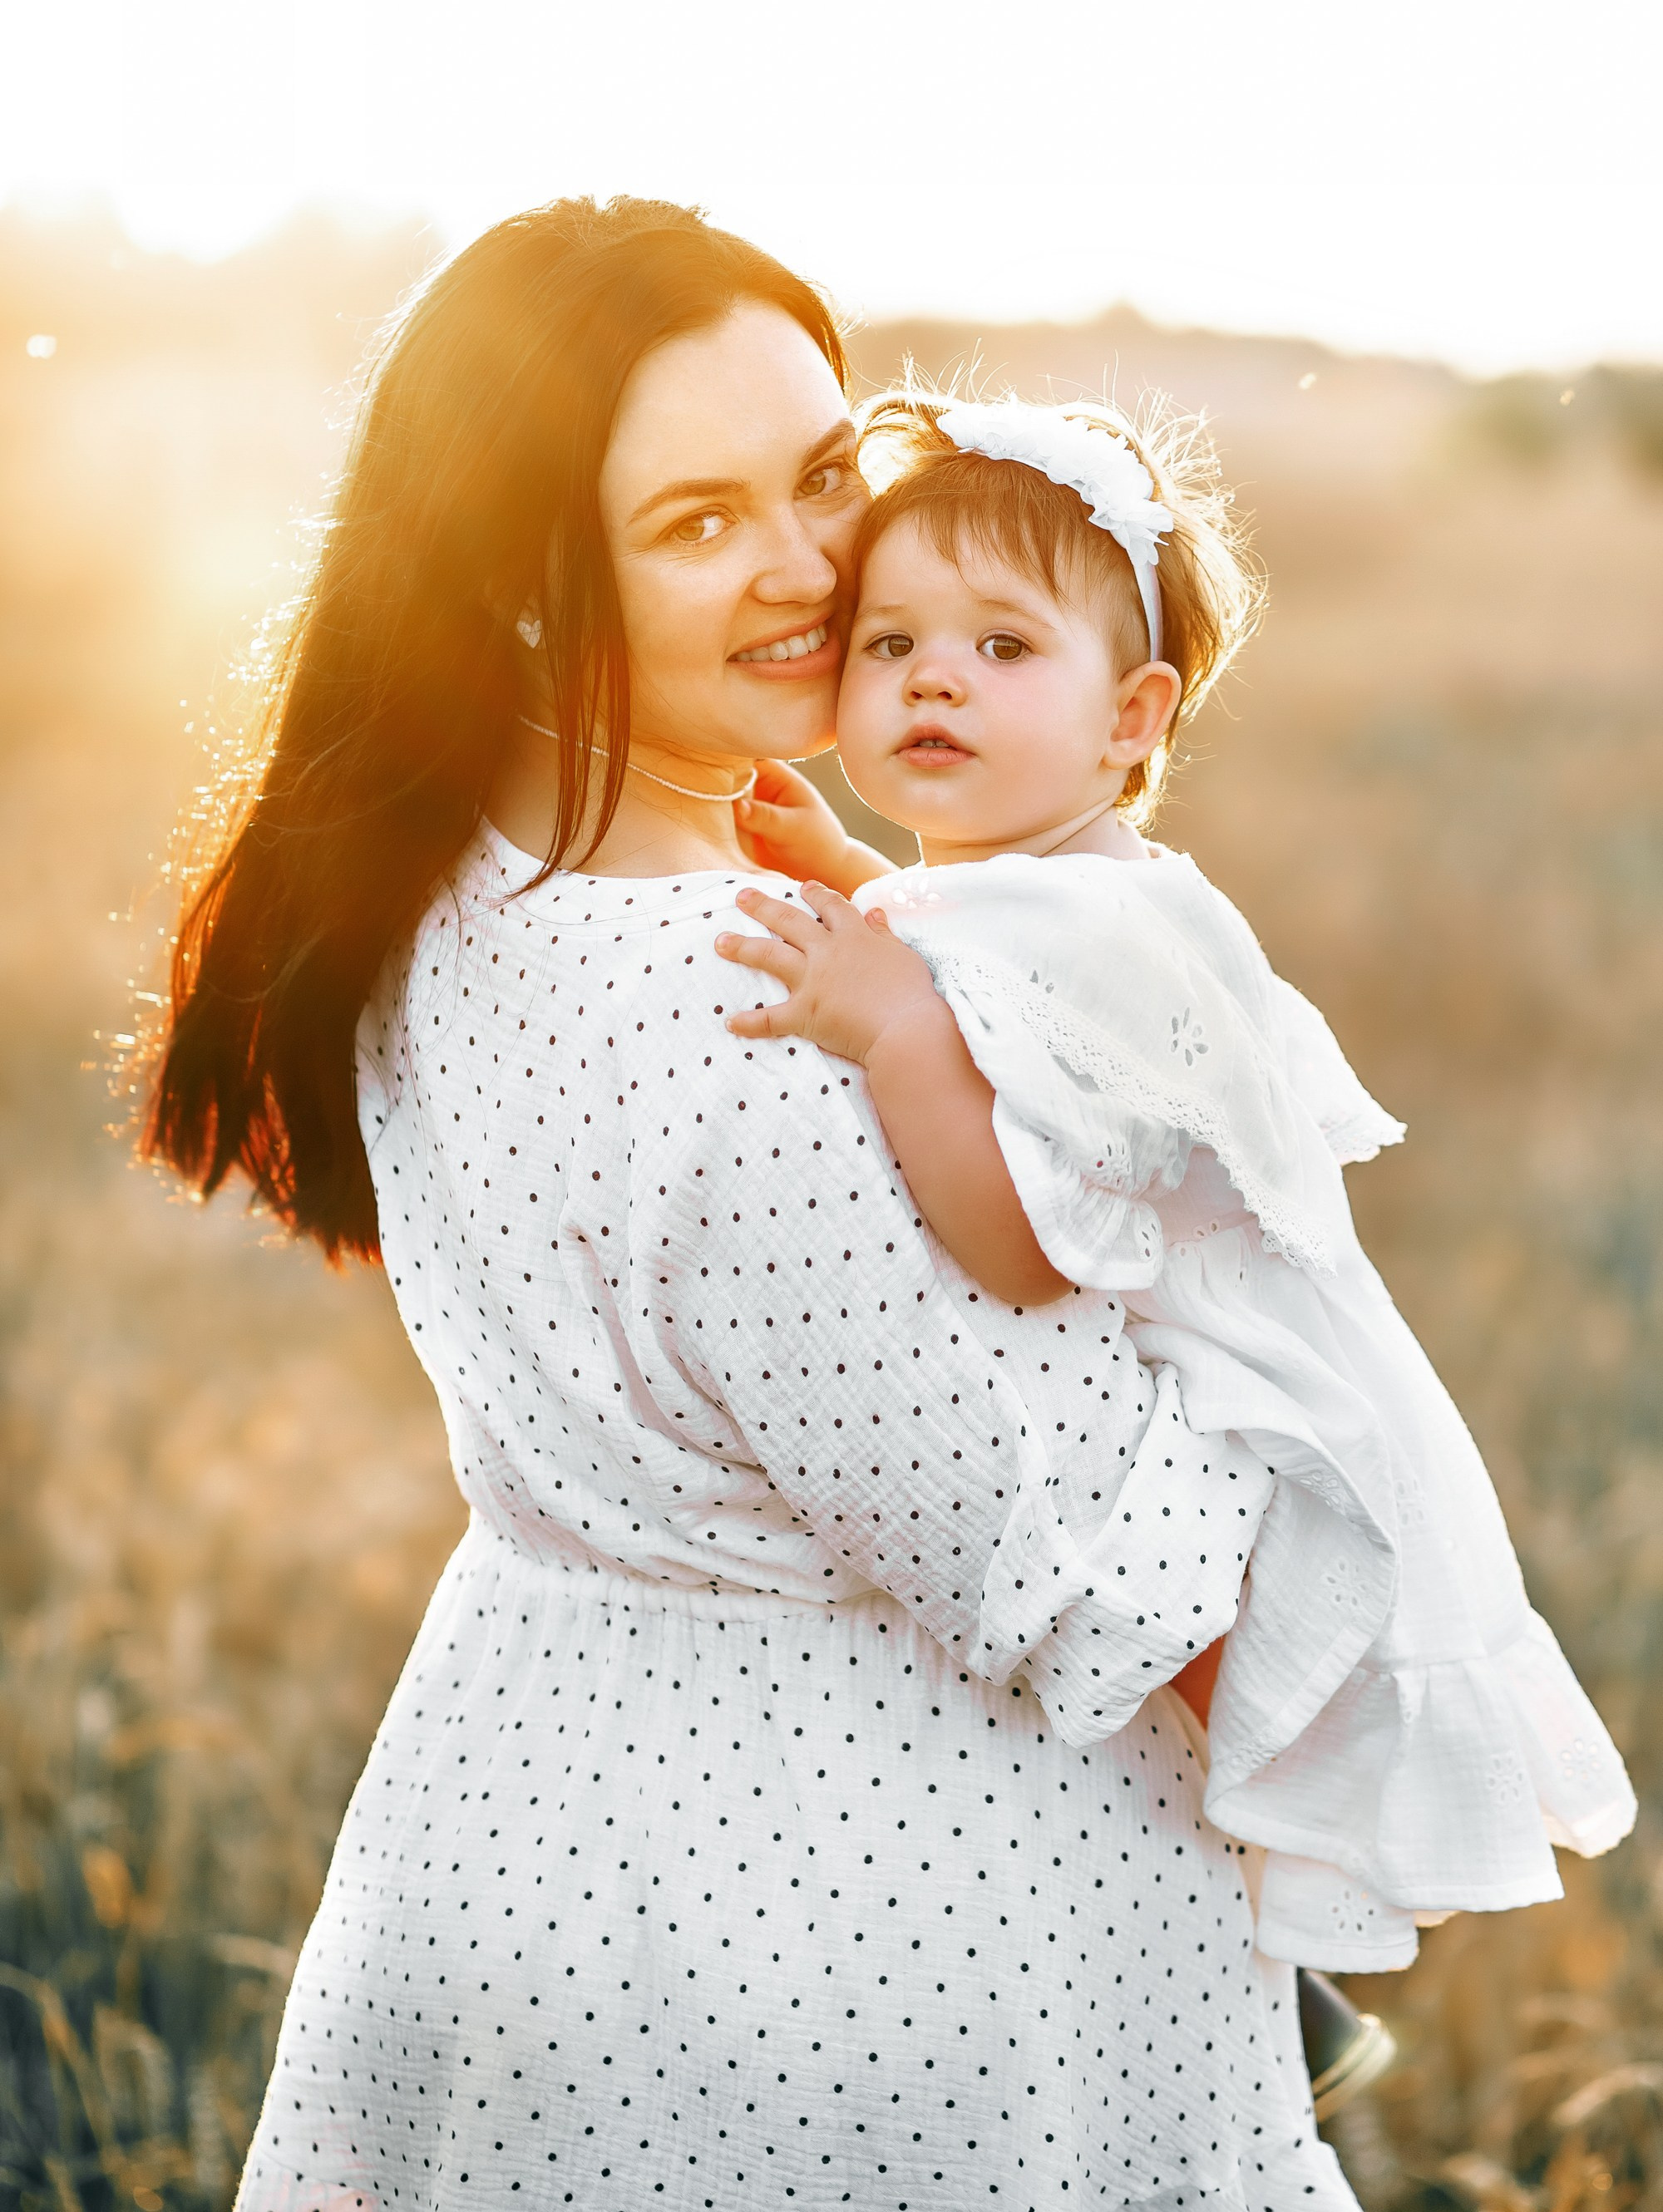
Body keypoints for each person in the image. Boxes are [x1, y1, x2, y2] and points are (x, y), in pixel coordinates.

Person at [145, 200, 1361, 2210]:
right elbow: (1079, 1563)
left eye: (819, 478)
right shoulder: (747, 1021)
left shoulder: (458, 896)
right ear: (528, 587)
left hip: (534, 1827)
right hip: (867, 1948)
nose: (809, 570)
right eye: (697, 523)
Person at [713, 388, 1636, 1983]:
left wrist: (890, 1025)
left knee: (1238, 1779)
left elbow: (1015, 1251)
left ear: (1132, 720)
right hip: (1236, 1415)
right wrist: (870, 897)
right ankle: (1290, 2006)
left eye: (1005, 649)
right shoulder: (1066, 895)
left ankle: (1293, 2004)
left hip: (1234, 1457)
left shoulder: (1064, 940)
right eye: (891, 644)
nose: (935, 674)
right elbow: (989, 974)